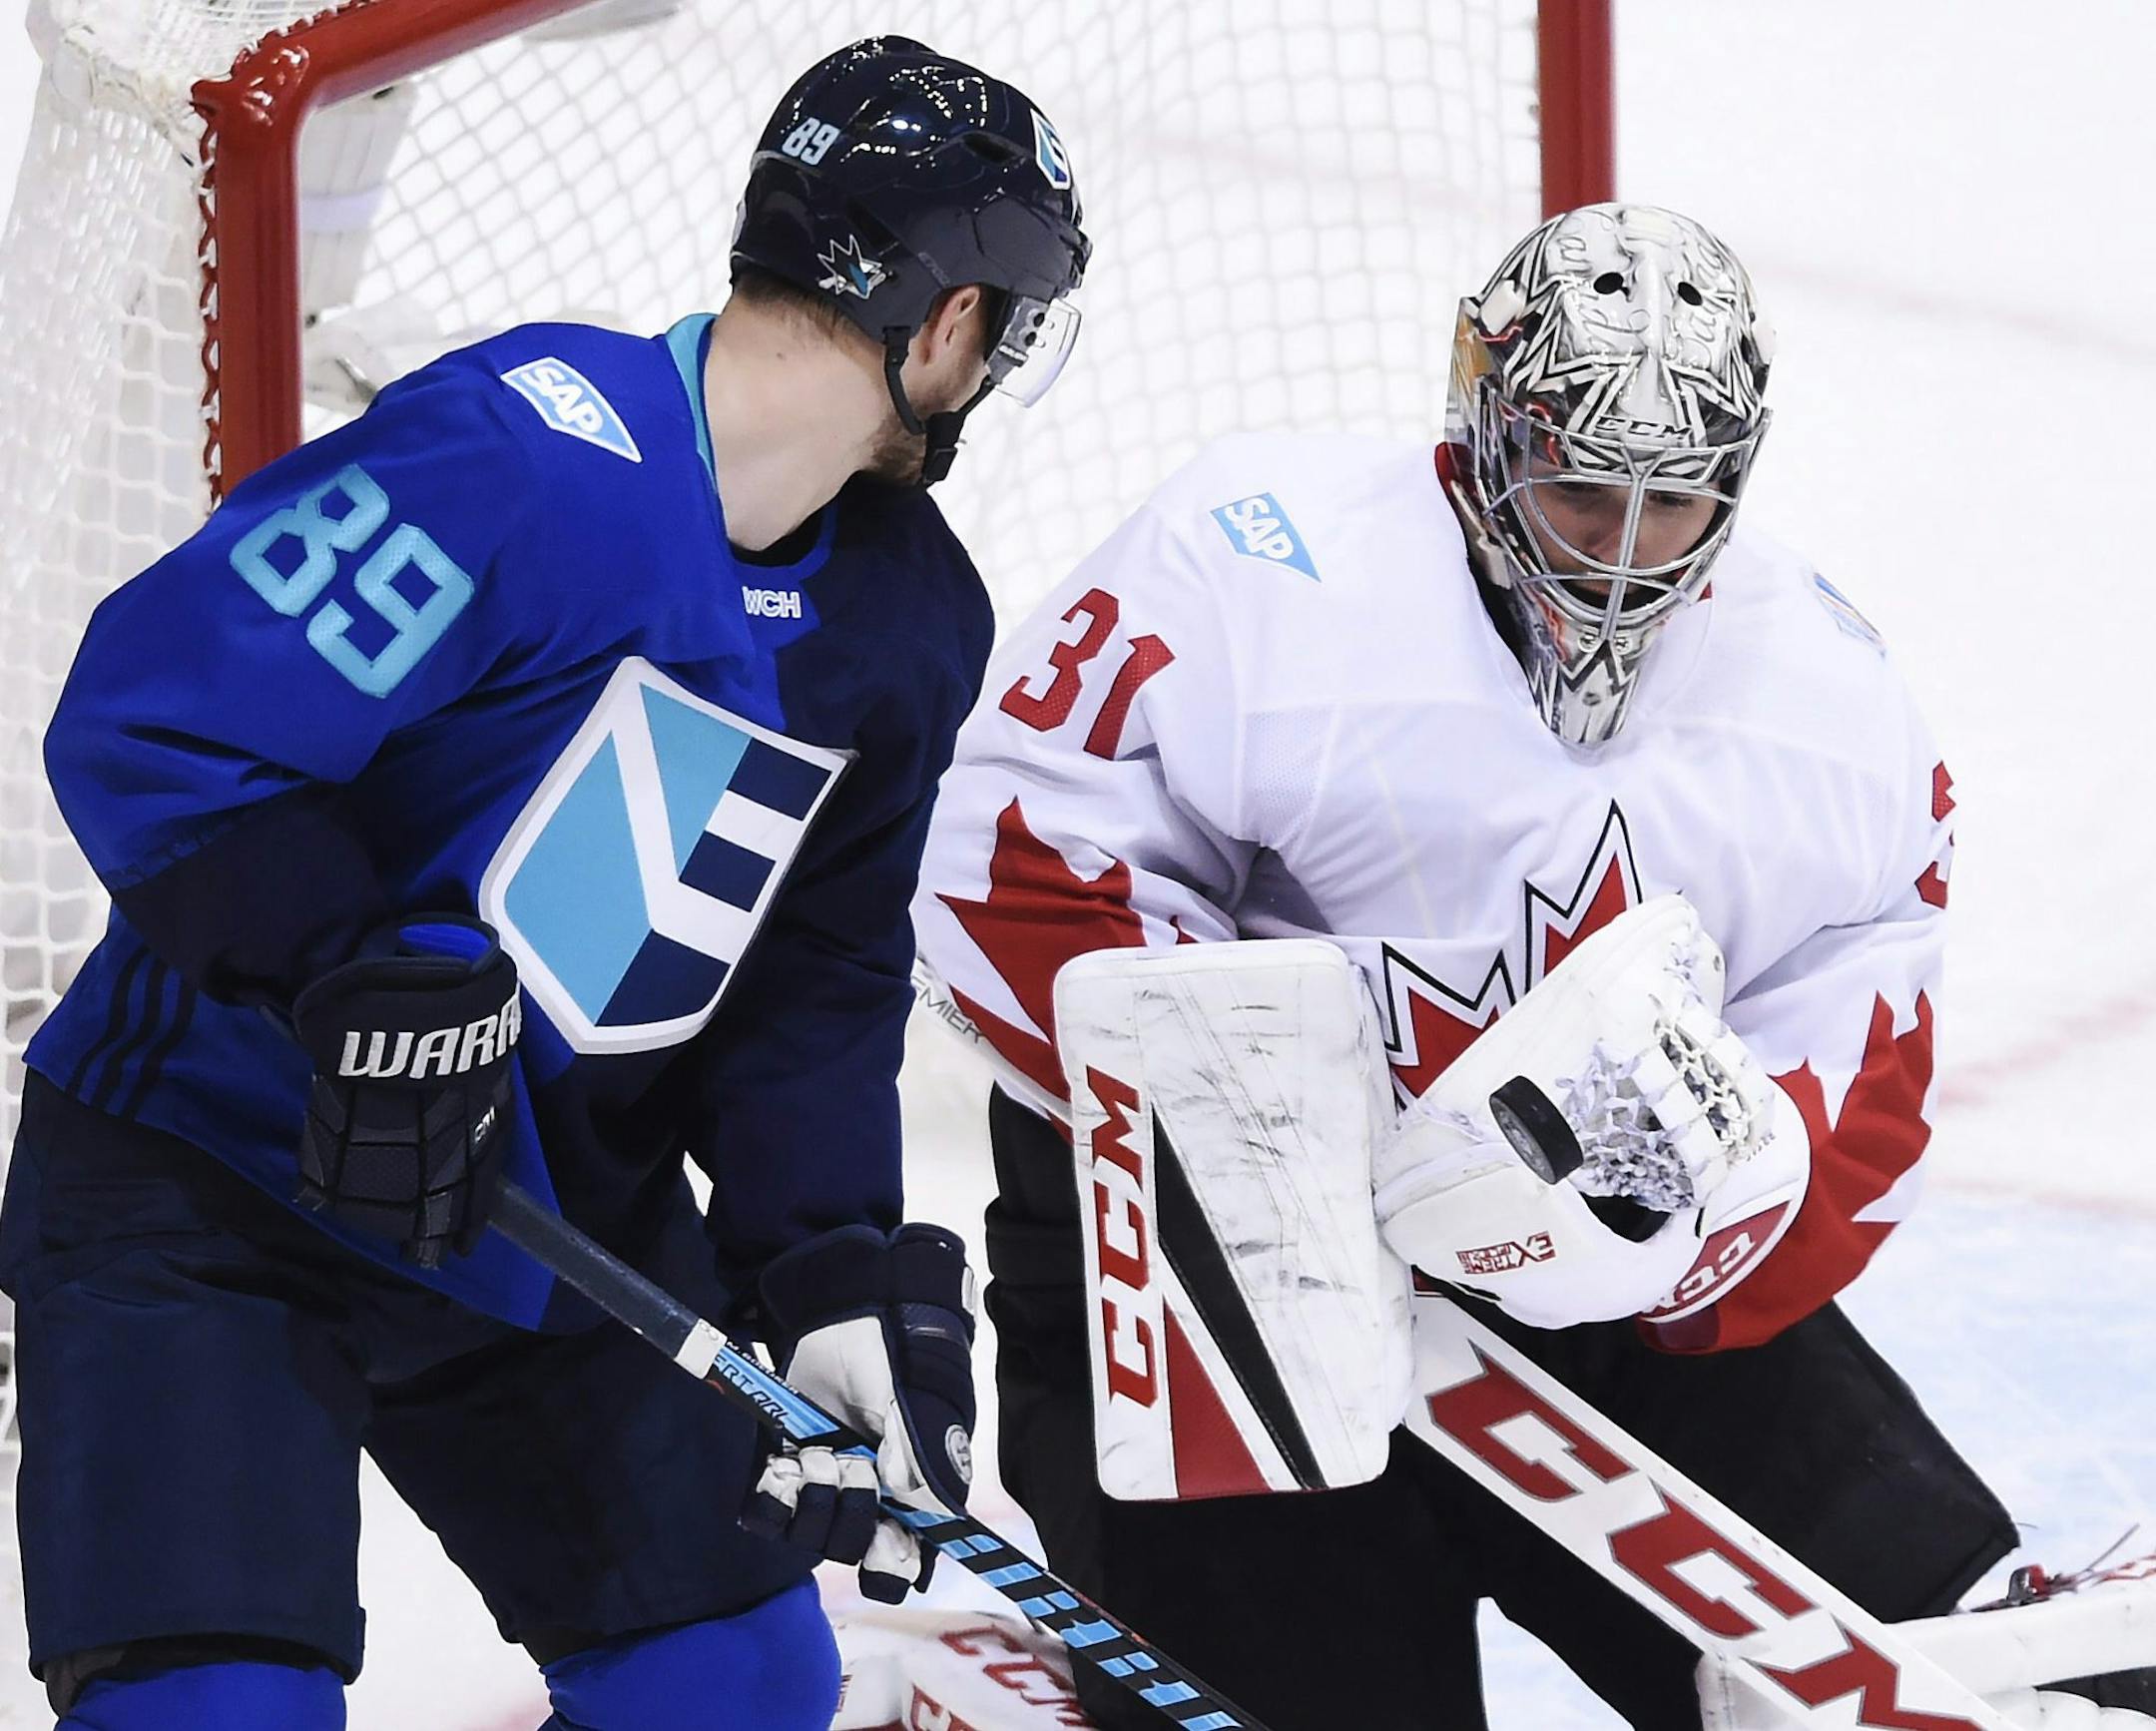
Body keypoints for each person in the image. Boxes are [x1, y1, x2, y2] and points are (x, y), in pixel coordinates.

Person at [911, 203, 2152, 1728]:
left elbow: (1862, 1059)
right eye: (1581, 493)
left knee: (1928, 1684)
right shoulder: (1257, 559)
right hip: (1215, 1300)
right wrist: (1275, 1136)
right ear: (1488, 432)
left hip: (1602, 1307)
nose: (1624, 557)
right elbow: (1007, 862)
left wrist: (1691, 1235)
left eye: (1673, 504)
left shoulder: (1827, 702)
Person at [0, 35, 1087, 1731]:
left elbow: (813, 981)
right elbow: (148, 716)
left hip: (536, 1216)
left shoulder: (903, 618)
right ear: (948, 326)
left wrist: (829, 1265)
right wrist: (347, 958)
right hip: (210, 1181)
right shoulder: (520, 456)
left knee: (732, 1685)